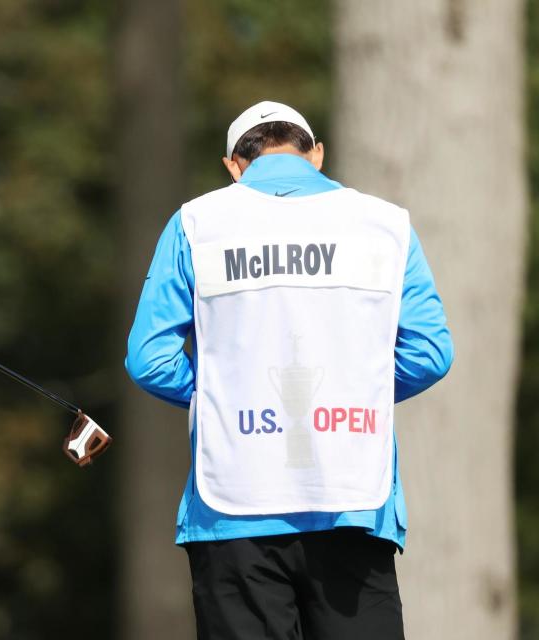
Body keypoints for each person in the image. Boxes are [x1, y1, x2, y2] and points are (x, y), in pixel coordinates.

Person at [125, 101, 454, 640]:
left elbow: (149, 359)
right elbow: (429, 353)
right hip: (351, 500)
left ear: (234, 165)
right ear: (316, 154)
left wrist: (224, 397)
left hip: (231, 505)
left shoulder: (196, 223)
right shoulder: (386, 225)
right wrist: (356, 391)